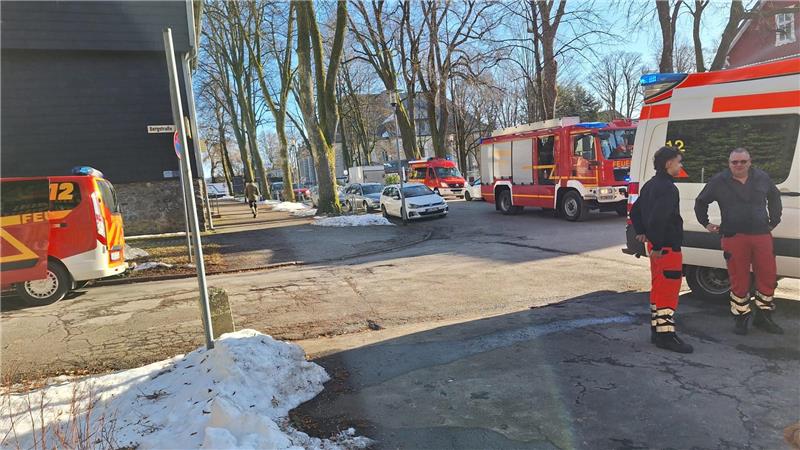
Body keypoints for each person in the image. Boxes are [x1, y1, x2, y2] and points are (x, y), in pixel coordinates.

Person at [694, 148, 783, 335]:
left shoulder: (761, 177)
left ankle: (764, 317)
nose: (739, 165)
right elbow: (701, 201)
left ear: (750, 162)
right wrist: (706, 223)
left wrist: (774, 220)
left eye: (743, 161)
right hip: (734, 237)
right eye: (735, 162)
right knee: (739, 279)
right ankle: (741, 318)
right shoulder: (719, 181)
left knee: (767, 277)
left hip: (761, 235)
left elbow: (774, 197)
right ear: (729, 163)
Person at [630, 146, 693, 353]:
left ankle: (658, 331)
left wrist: (641, 232)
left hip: (657, 247)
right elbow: (660, 219)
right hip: (666, 248)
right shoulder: (668, 188)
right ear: (669, 164)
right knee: (668, 291)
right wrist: (657, 244)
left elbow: (636, 211)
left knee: (658, 289)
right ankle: (666, 336)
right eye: (679, 161)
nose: (680, 165)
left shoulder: (650, 185)